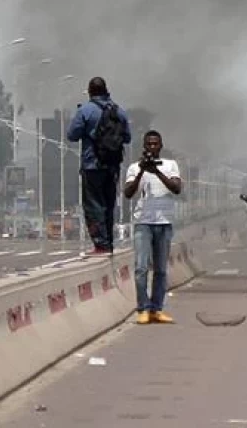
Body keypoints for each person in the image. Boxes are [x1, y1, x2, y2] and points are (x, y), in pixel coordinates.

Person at [67, 77, 133, 256]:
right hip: (112, 165)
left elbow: (72, 135)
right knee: (109, 204)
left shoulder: (85, 111)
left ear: (89, 91)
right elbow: (127, 137)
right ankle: (109, 243)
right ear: (106, 90)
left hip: (92, 164)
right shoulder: (119, 111)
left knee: (93, 205)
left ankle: (101, 245)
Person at [123, 130, 183, 325]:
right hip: (143, 222)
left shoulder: (170, 165)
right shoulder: (134, 168)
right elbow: (128, 193)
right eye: (148, 144)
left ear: (161, 146)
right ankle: (143, 308)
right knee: (141, 268)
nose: (152, 147)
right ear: (144, 147)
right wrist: (142, 170)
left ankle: (157, 309)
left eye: (155, 144)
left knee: (160, 270)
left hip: (164, 223)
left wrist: (156, 171)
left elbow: (176, 188)